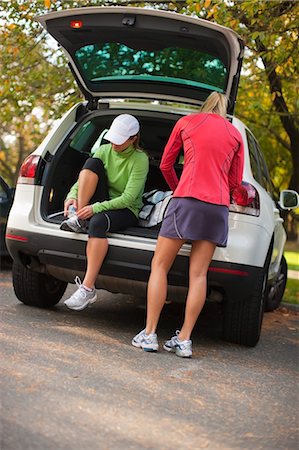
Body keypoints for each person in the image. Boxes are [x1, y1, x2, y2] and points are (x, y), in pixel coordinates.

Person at [132, 92, 244, 358]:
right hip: (217, 208)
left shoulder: (186, 123)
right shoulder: (235, 134)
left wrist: (178, 188)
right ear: (224, 109)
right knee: (199, 275)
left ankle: (149, 334)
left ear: (204, 106)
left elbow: (166, 164)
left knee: (160, 265)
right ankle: (184, 340)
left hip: (187, 200)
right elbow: (235, 182)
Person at [61, 114, 149, 311]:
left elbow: (128, 198)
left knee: (98, 222)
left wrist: (94, 208)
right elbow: (82, 179)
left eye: (119, 140)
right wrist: (71, 196)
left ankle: (87, 288)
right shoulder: (103, 150)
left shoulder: (140, 159)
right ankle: (79, 218)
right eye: (113, 138)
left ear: (133, 138)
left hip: (126, 209)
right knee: (91, 164)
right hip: (102, 200)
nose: (114, 144)